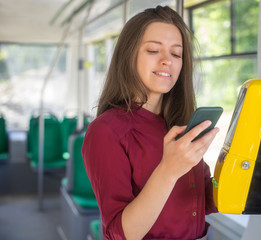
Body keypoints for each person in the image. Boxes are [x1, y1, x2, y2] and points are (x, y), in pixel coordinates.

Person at [82, 6, 219, 240]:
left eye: (176, 54)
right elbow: (119, 233)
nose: (167, 61)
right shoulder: (106, 131)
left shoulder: (179, 123)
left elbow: (202, 200)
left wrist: (259, 180)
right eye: (154, 50)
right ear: (128, 55)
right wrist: (168, 171)